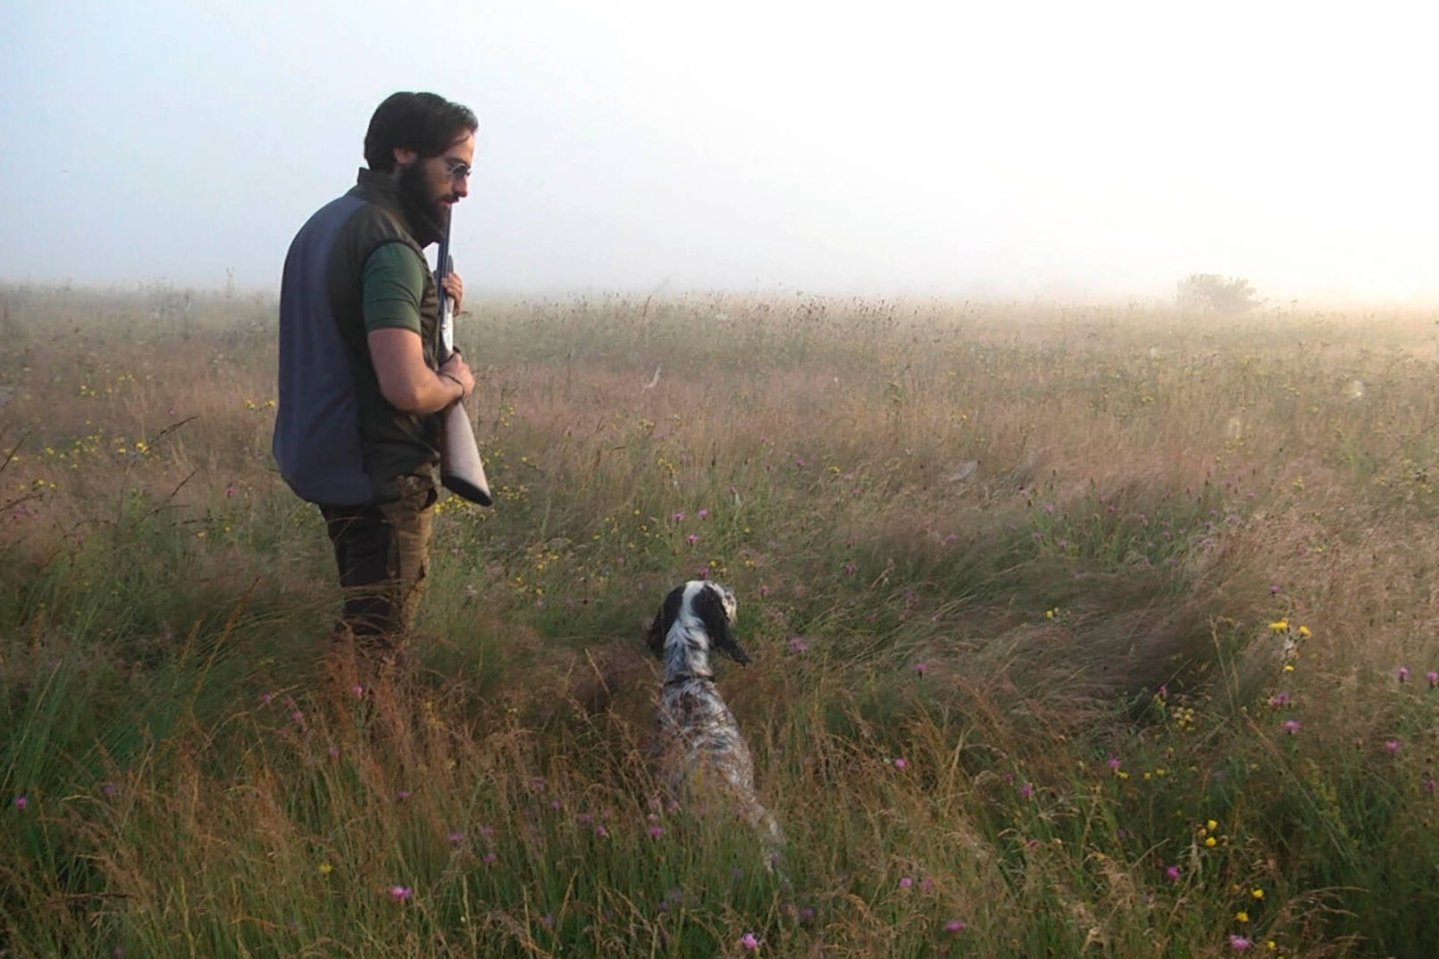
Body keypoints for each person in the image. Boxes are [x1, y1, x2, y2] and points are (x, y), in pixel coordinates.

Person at [273, 91, 478, 673]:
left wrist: (433, 302)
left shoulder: (331, 222)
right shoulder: (389, 245)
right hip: (377, 476)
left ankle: (334, 719)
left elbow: (350, 332)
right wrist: (458, 384)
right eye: (455, 169)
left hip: (330, 459)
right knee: (378, 644)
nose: (463, 189)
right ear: (405, 153)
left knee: (362, 618)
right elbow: (409, 389)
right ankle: (352, 746)